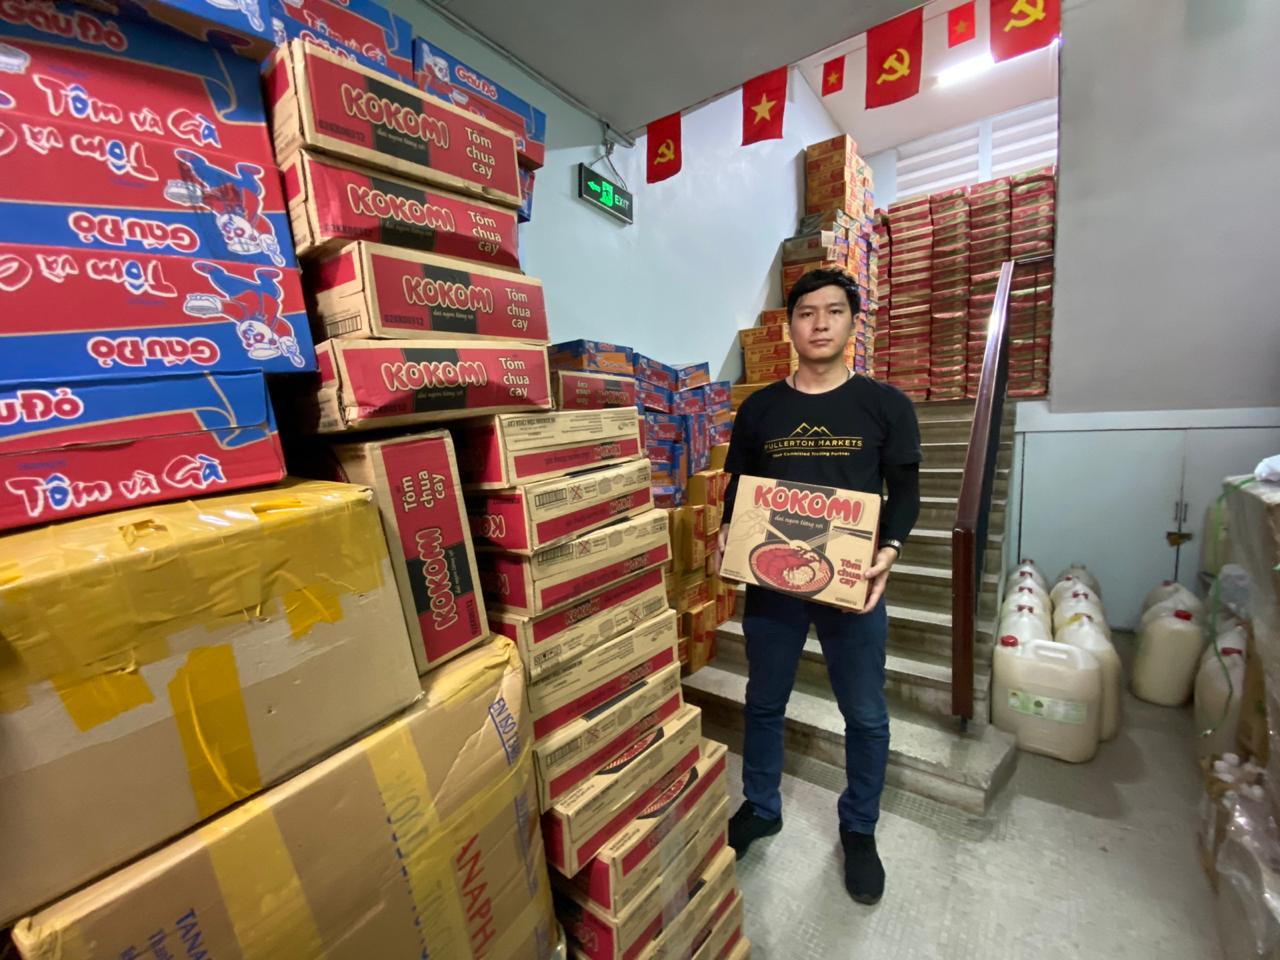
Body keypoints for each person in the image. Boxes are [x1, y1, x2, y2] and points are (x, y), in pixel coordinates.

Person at [719, 267, 921, 905]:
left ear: (852, 322)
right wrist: (727, 531)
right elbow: (739, 488)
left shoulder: (885, 405)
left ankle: (859, 827)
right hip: (772, 580)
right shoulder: (761, 409)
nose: (820, 323)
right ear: (790, 326)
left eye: (834, 311)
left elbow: (906, 492)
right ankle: (761, 806)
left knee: (864, 713)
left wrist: (890, 550)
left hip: (852, 585)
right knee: (763, 701)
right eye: (806, 313)